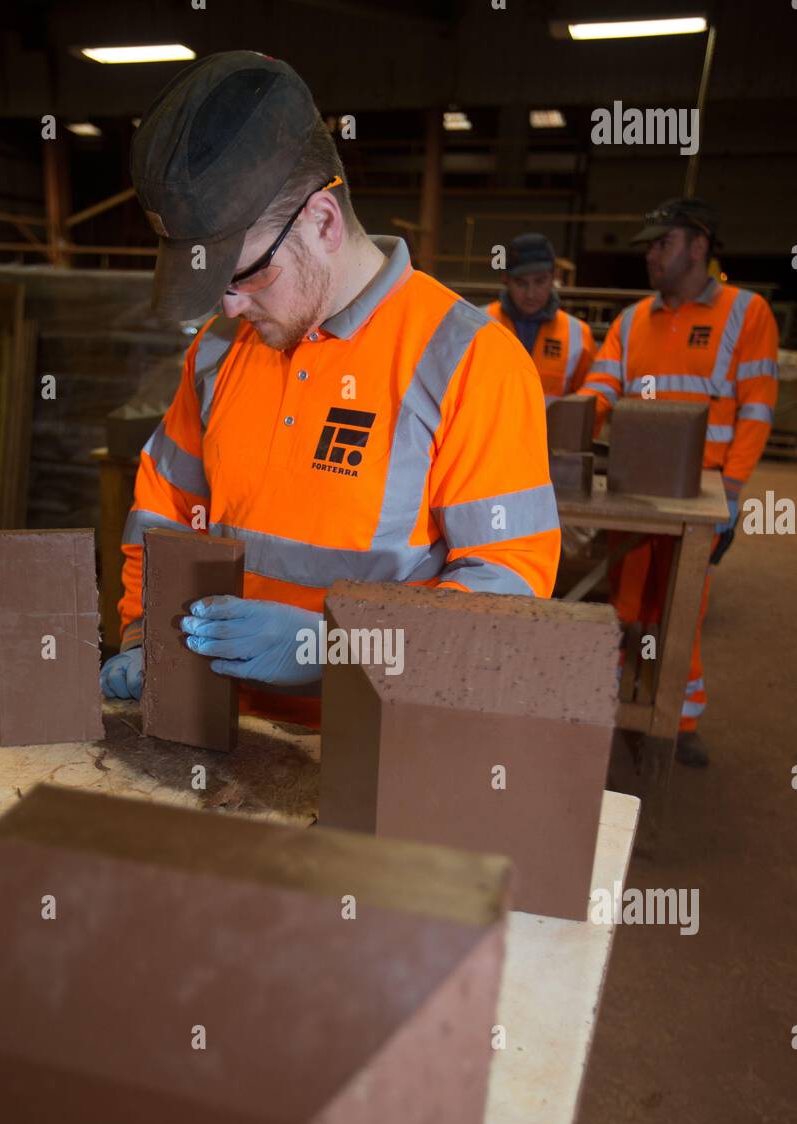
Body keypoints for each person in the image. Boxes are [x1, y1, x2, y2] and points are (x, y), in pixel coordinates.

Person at [101, 51, 560, 724]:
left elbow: (509, 593)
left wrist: (336, 644)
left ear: (322, 221)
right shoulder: (220, 351)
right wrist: (146, 634)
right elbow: (164, 512)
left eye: (246, 273)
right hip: (219, 725)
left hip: (374, 746)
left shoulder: (469, 362)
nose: (226, 308)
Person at [578, 198, 779, 767]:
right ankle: (611, 710)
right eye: (648, 245)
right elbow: (600, 389)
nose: (651, 255)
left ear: (698, 245)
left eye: (662, 243)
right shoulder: (632, 320)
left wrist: (733, 491)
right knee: (625, 602)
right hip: (636, 492)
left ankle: (677, 720)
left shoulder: (746, 312)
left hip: (703, 496)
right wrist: (564, 435)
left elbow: (757, 407)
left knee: (679, 610)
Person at [484, 234, 596, 401]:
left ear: (554, 277)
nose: (530, 294)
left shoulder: (579, 334)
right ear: (505, 279)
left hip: (553, 428)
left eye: (540, 281)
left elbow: (586, 405)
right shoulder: (478, 323)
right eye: (521, 283)